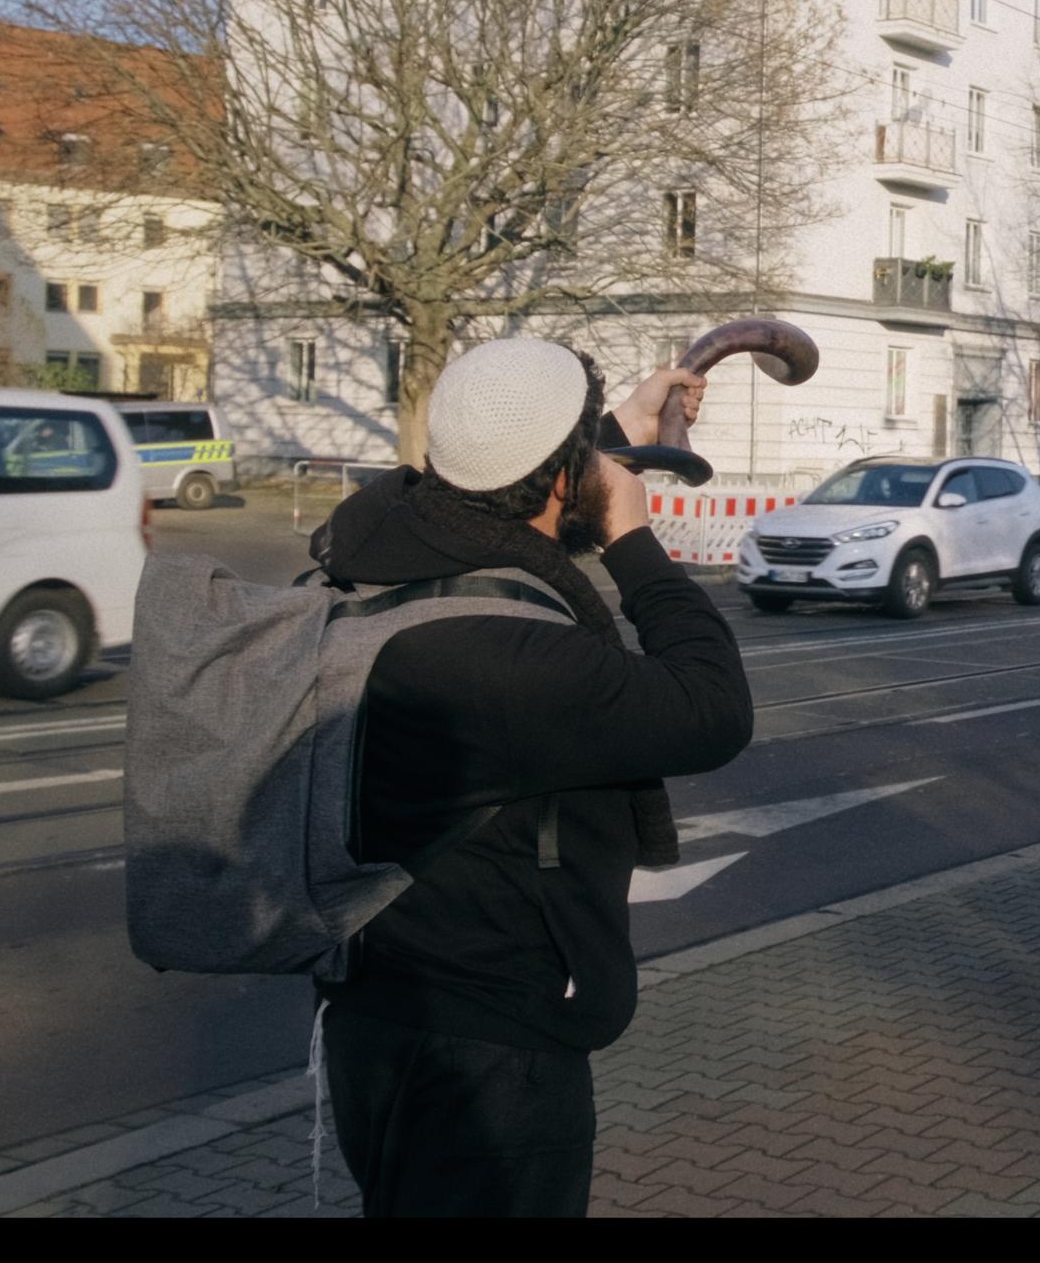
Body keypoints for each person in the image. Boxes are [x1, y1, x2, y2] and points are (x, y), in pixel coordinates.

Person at [308, 340, 751, 1216]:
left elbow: (501, 513)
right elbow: (712, 709)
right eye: (577, 459)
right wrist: (631, 535)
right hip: (493, 1052)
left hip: (365, 1018)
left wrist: (610, 430)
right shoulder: (519, 656)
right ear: (561, 483)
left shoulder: (373, 562)